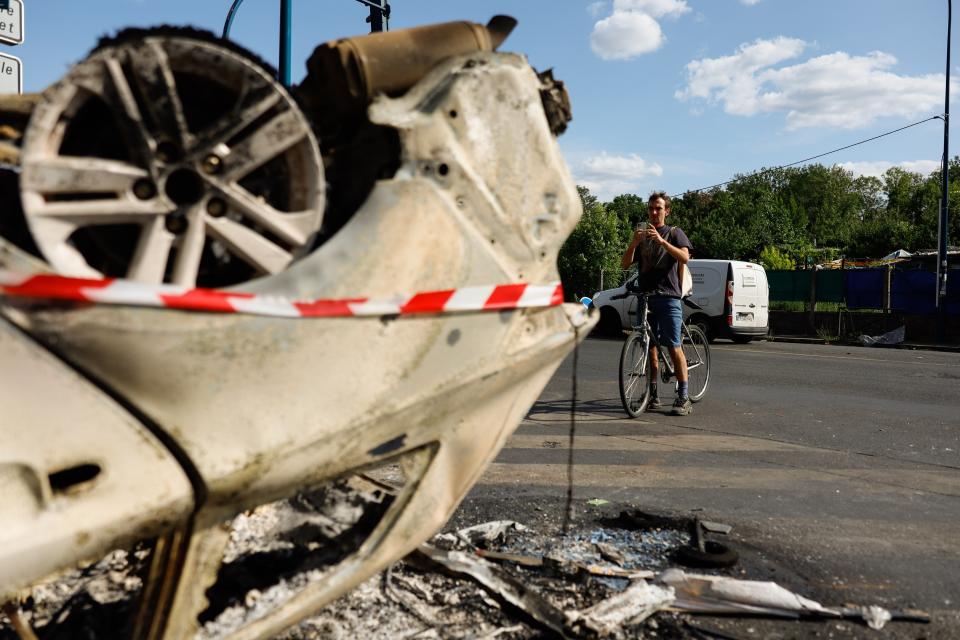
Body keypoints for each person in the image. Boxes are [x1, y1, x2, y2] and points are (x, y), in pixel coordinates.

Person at [620, 191, 694, 415]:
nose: (654, 212)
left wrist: (661, 241)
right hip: (646, 297)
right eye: (651, 208)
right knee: (649, 349)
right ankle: (653, 394)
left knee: (673, 347)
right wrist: (634, 243)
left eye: (658, 208)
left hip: (669, 297)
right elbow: (624, 265)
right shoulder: (641, 238)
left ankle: (683, 397)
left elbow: (685, 258)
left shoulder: (674, 233)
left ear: (666, 211)